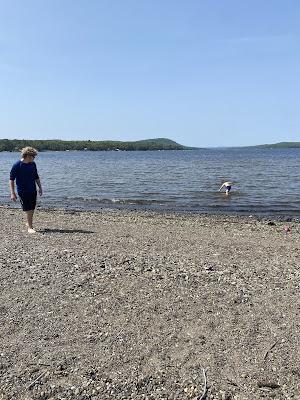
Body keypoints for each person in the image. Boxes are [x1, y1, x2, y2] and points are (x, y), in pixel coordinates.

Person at [9, 147, 43, 233]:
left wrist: (40, 187)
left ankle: (28, 223)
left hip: (32, 189)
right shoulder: (17, 165)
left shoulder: (33, 164)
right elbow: (11, 179)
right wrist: (12, 193)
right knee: (28, 209)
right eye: (33, 156)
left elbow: (36, 176)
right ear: (27, 155)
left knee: (32, 208)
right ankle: (30, 227)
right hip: (23, 191)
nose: (34, 158)